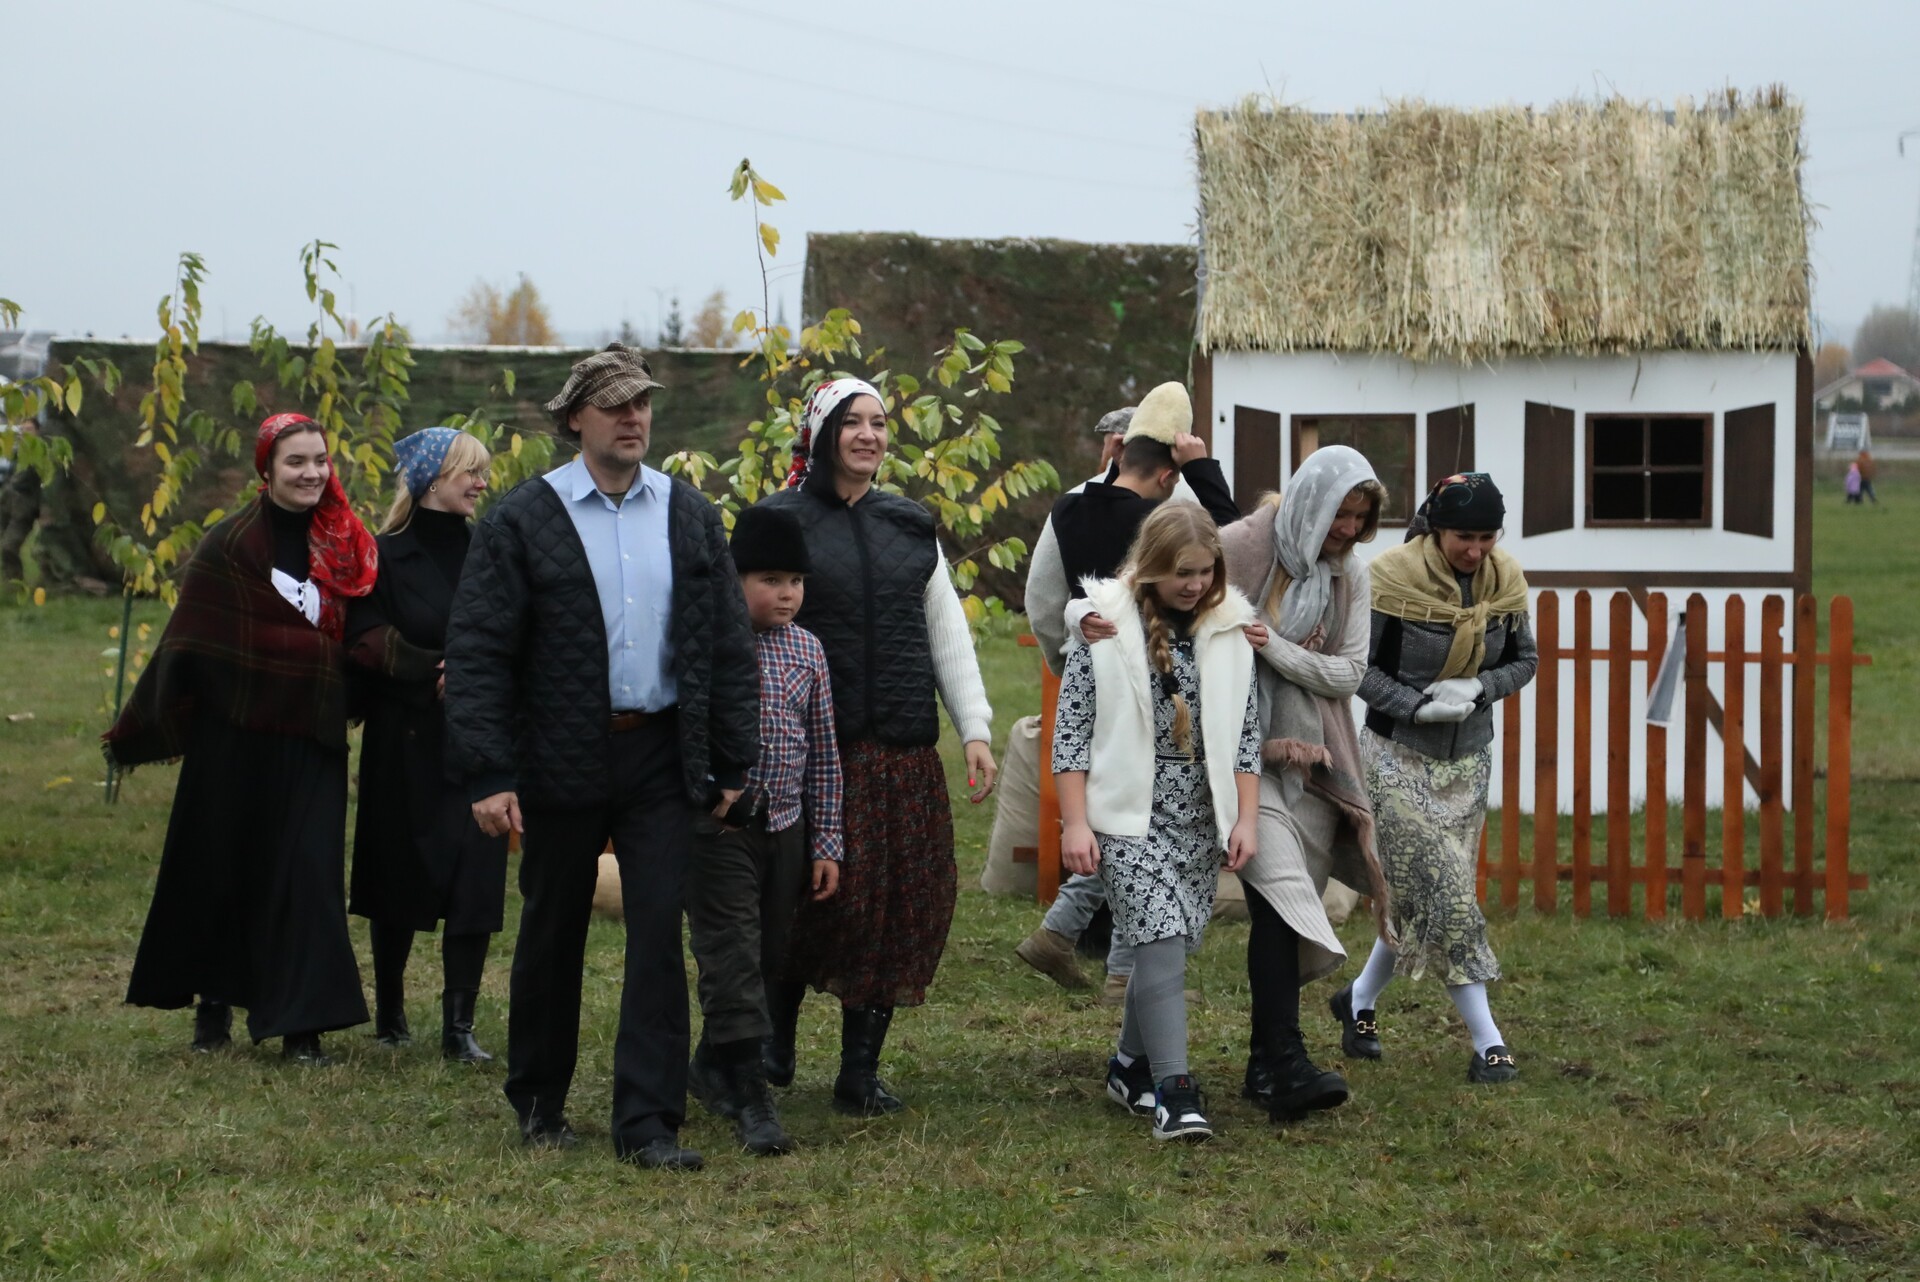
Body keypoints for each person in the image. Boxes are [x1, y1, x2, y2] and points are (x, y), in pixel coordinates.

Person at [444, 344, 760, 1171]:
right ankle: (539, 1101)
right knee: (552, 929)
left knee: (657, 934)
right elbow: (478, 650)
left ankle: (649, 1123)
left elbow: (727, 644)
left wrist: (734, 761)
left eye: (642, 403)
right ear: (575, 418)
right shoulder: (524, 518)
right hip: (557, 752)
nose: (633, 417)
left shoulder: (689, 513)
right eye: (615, 405)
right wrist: (490, 771)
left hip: (660, 752)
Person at [106, 412, 378, 1065]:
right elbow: (197, 636)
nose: (311, 473)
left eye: (320, 460)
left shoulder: (346, 543)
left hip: (311, 736)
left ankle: (302, 1025)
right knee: (224, 865)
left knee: (308, 876)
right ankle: (215, 1003)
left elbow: (364, 631)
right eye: (296, 461)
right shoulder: (228, 545)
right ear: (268, 468)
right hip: (233, 736)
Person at [757, 376, 996, 1116]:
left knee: (897, 908)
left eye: (880, 422)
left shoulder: (909, 524)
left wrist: (975, 728)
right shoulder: (780, 518)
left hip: (900, 752)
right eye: (853, 422)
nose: (869, 435)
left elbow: (944, 629)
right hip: (812, 754)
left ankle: (859, 1071)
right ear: (823, 434)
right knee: (806, 903)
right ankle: (772, 1040)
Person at [1015, 383, 1239, 1004]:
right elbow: (1237, 544)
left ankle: (1061, 933)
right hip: (1156, 682)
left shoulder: (1069, 508)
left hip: (1093, 672)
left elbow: (1043, 597)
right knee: (1142, 820)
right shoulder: (1162, 522)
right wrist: (1204, 471)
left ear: (1120, 451)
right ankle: (1121, 972)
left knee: (1122, 816)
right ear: (1169, 474)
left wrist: (1069, 658)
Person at [1053, 501, 1260, 1141]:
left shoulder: (1231, 633)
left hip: (1199, 818)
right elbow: (1070, 737)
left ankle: (1126, 1067)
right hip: (1125, 816)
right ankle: (1175, 1090)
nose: (1194, 585)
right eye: (1180, 573)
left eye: (1204, 571)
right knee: (1161, 936)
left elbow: (1246, 738)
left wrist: (1245, 819)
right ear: (1149, 568)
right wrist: (1075, 824)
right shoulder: (1103, 631)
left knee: (1165, 947)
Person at [1336, 472, 1537, 1084]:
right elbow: (1357, 667)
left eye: (1486, 537)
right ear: (1436, 529)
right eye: (1462, 537)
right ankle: (1489, 1042)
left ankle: (1358, 1000)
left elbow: (1525, 660)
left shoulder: (1507, 581)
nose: (1475, 550)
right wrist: (1416, 706)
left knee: (1421, 894)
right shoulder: (1388, 578)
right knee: (1447, 894)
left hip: (1469, 762)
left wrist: (1480, 687)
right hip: (1396, 755)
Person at [1218, 445, 1393, 1121]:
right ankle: (1288, 1062)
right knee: (1280, 900)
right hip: (1241, 752)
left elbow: (1349, 673)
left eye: (1361, 517)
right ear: (1311, 502)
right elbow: (1165, 594)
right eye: (1340, 513)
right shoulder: (1241, 548)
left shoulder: (1350, 575)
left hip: (1312, 759)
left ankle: (1265, 1067)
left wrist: (1276, 648)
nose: (1348, 529)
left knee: (1285, 915)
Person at [684, 504, 844, 1157]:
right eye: (770, 580)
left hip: (787, 828)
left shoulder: (809, 650)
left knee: (770, 954)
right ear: (735, 579)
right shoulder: (707, 643)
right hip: (721, 830)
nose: (786, 594)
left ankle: (709, 1064)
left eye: (796, 581)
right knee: (731, 955)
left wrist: (826, 840)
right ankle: (751, 1096)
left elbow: (824, 754)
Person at [345, 427, 508, 1062]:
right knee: (398, 874)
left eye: (482, 471)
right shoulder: (382, 555)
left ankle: (458, 1026)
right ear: (432, 480)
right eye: (470, 471)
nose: (481, 483)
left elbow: (515, 626)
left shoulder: (490, 551)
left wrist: (472, 674)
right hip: (405, 739)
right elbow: (363, 636)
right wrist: (429, 669)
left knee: (476, 880)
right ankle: (390, 1011)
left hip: (477, 739)